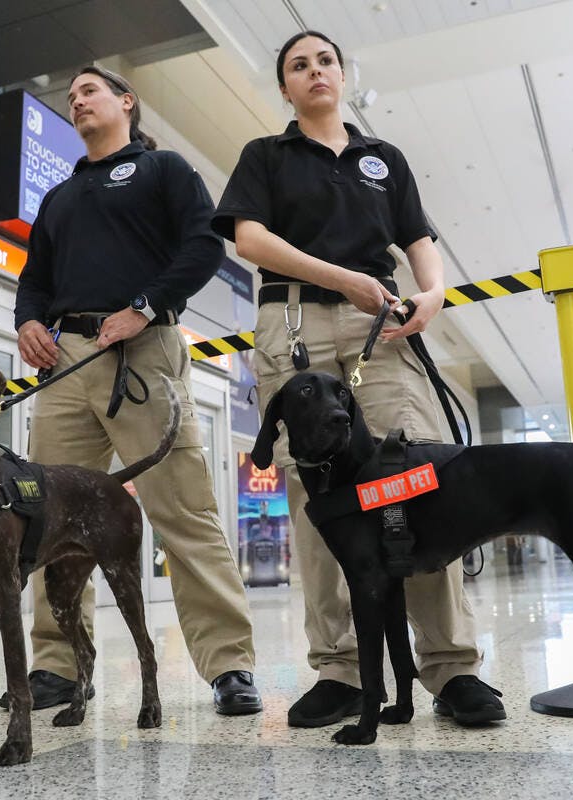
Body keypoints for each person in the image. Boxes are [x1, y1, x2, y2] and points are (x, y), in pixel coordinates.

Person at [212, 31, 505, 728]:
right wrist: (344, 278)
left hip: (385, 330)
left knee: (419, 483)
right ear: (284, 88)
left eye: (325, 61)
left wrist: (431, 294)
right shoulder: (267, 156)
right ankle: (342, 670)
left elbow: (418, 240)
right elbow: (248, 240)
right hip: (296, 329)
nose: (315, 72)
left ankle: (452, 667)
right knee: (320, 498)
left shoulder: (384, 159)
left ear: (344, 76)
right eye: (298, 66)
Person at [13, 66, 261, 715]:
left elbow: (206, 244)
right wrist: (28, 323)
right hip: (67, 363)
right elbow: (34, 278)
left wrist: (147, 306)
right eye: (70, 97)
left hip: (142, 349)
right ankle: (59, 664)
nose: (76, 100)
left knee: (182, 508)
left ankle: (229, 664)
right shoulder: (59, 198)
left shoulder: (163, 170)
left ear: (127, 102)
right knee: (52, 519)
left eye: (88, 90)